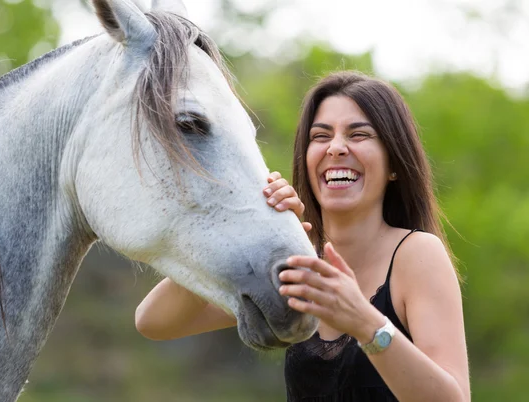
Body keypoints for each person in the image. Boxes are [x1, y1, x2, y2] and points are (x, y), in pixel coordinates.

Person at [135, 71, 470, 401]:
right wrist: (250, 230)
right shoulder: (294, 262)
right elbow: (154, 322)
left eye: (359, 134)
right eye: (321, 136)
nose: (336, 148)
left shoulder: (417, 255)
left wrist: (364, 321)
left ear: (394, 163)